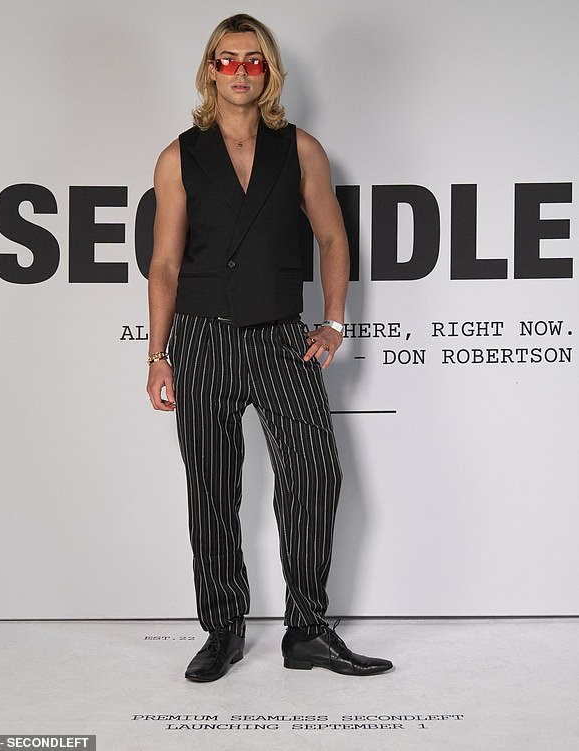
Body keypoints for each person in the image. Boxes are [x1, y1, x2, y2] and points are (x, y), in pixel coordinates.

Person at [146, 13, 392, 682]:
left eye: (253, 60)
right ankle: (222, 628)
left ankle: (306, 630)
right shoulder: (178, 157)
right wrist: (158, 354)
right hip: (201, 339)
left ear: (269, 71)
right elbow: (164, 264)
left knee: (315, 474)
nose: (240, 71)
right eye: (227, 60)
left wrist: (333, 323)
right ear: (210, 70)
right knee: (212, 488)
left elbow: (333, 239)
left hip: (284, 337)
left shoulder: (301, 149)